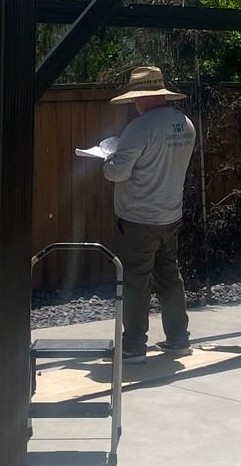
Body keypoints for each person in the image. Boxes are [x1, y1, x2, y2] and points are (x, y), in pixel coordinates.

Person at [79, 65, 198, 359]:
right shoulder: (185, 124)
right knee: (169, 276)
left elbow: (117, 173)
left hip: (138, 219)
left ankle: (133, 344)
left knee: (135, 280)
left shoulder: (140, 128)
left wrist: (108, 160)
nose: (134, 103)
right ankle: (179, 338)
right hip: (170, 215)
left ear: (141, 96)